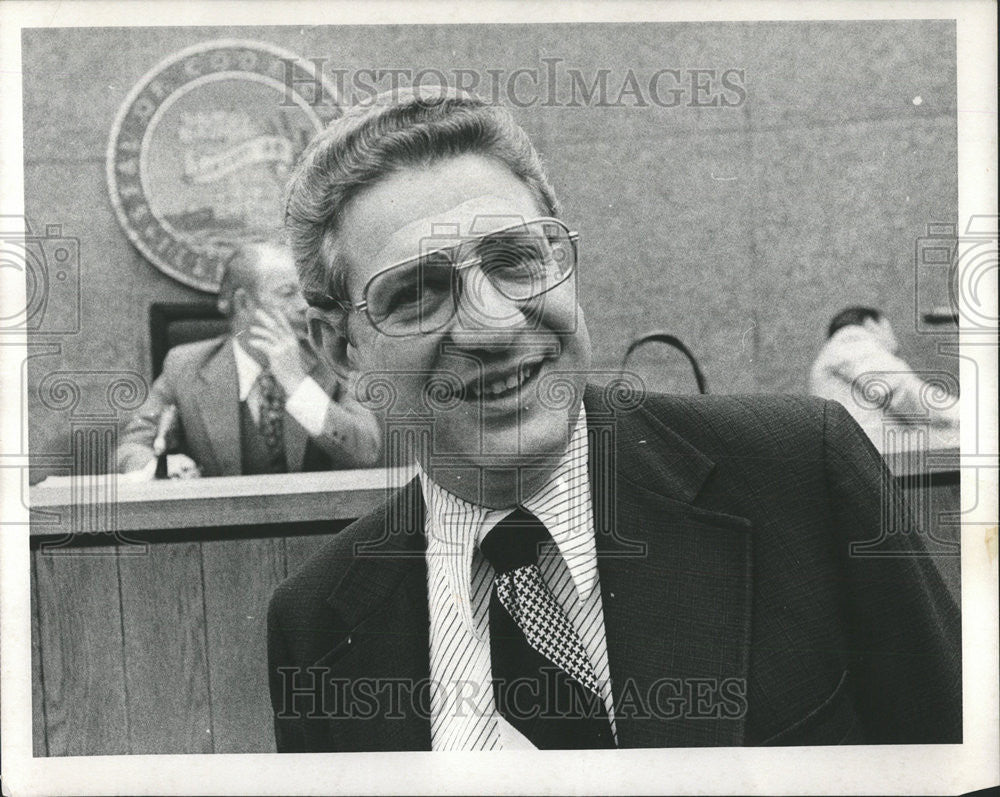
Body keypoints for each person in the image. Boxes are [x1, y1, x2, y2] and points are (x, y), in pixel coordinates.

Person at [266, 89, 960, 751]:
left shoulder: (799, 473)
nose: (495, 324)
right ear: (340, 348)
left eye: (516, 259)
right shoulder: (317, 623)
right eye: (417, 291)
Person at [116, 235, 382, 477]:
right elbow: (130, 447)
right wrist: (158, 467)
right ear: (244, 303)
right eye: (287, 293)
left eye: (305, 293)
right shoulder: (184, 365)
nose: (304, 306)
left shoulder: (334, 357)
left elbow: (366, 452)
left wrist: (297, 384)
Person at [808, 306, 960, 452]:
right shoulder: (851, 342)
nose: (895, 342)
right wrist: (965, 414)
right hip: (874, 454)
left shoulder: (835, 355)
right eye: (888, 330)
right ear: (871, 323)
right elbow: (902, 390)